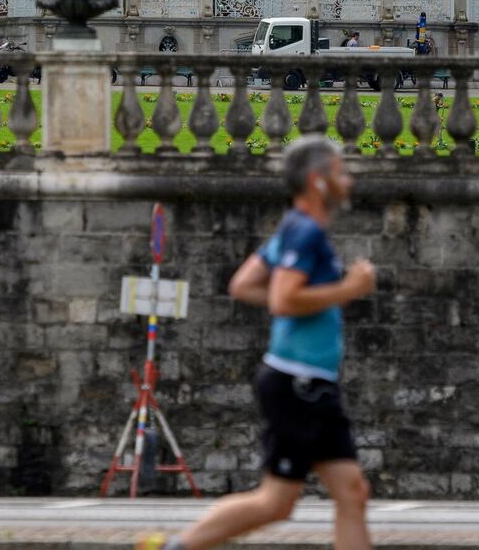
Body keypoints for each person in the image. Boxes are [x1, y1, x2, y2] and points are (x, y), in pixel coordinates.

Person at [140, 137, 375, 550]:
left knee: (352, 492)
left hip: (314, 384)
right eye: (341, 171)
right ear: (318, 182)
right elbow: (284, 299)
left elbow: (243, 284)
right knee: (276, 502)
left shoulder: (295, 229)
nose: (349, 180)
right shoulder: (305, 233)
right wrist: (347, 289)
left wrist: (308, 301)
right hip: (296, 383)